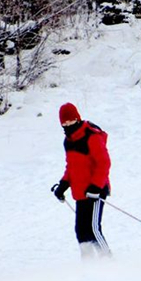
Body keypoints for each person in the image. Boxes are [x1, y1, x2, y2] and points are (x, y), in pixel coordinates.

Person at [51, 103, 112, 258]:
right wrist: (63, 185)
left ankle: (109, 262)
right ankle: (88, 265)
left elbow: (104, 163)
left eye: (70, 121)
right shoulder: (68, 141)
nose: (67, 125)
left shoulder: (91, 136)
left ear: (77, 118)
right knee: (81, 231)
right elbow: (71, 166)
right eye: (63, 123)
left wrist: (95, 187)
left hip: (96, 191)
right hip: (80, 192)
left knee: (93, 229)